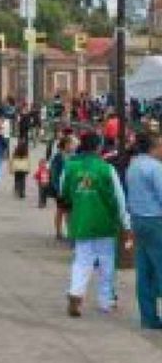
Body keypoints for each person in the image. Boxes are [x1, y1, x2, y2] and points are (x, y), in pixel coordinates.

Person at [61, 132, 131, 318]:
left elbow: (63, 192)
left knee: (82, 260)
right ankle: (105, 300)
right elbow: (119, 198)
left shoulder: (70, 167)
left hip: (81, 220)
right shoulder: (107, 169)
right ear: (98, 147)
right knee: (106, 262)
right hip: (105, 222)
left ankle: (76, 294)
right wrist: (126, 222)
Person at [126, 132, 162, 329]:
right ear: (153, 147)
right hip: (155, 220)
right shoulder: (155, 168)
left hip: (138, 219)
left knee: (144, 270)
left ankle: (148, 317)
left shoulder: (134, 166)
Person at [50, 136, 75, 241]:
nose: (73, 146)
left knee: (70, 211)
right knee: (61, 210)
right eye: (71, 144)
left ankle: (70, 231)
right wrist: (57, 188)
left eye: (73, 144)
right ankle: (59, 232)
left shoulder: (74, 157)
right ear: (65, 145)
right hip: (61, 187)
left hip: (71, 188)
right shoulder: (58, 157)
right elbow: (54, 173)